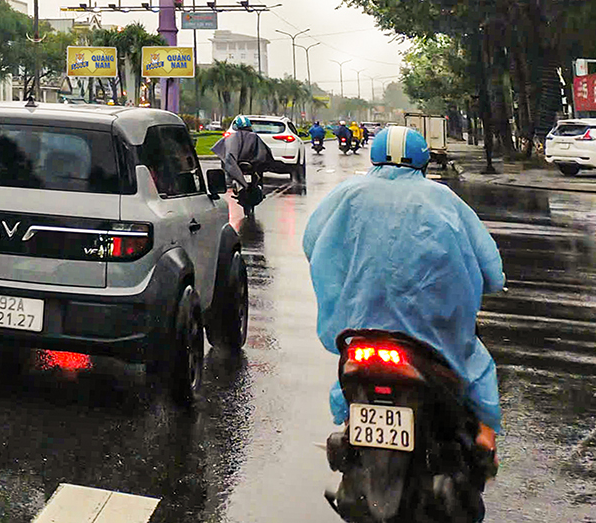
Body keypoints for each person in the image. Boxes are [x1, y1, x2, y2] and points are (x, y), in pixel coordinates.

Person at [303, 126, 506, 462]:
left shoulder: (347, 193)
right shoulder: (444, 199)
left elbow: (313, 243)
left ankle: (349, 420)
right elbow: (489, 267)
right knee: (476, 364)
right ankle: (485, 439)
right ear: (423, 162)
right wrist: (492, 282)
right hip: (431, 331)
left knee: (347, 368)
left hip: (361, 325)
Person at [211, 115, 271, 209]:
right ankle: (256, 188)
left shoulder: (232, 137)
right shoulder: (254, 137)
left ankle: (249, 187)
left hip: (242, 165)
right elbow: (263, 153)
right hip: (249, 165)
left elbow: (228, 156)